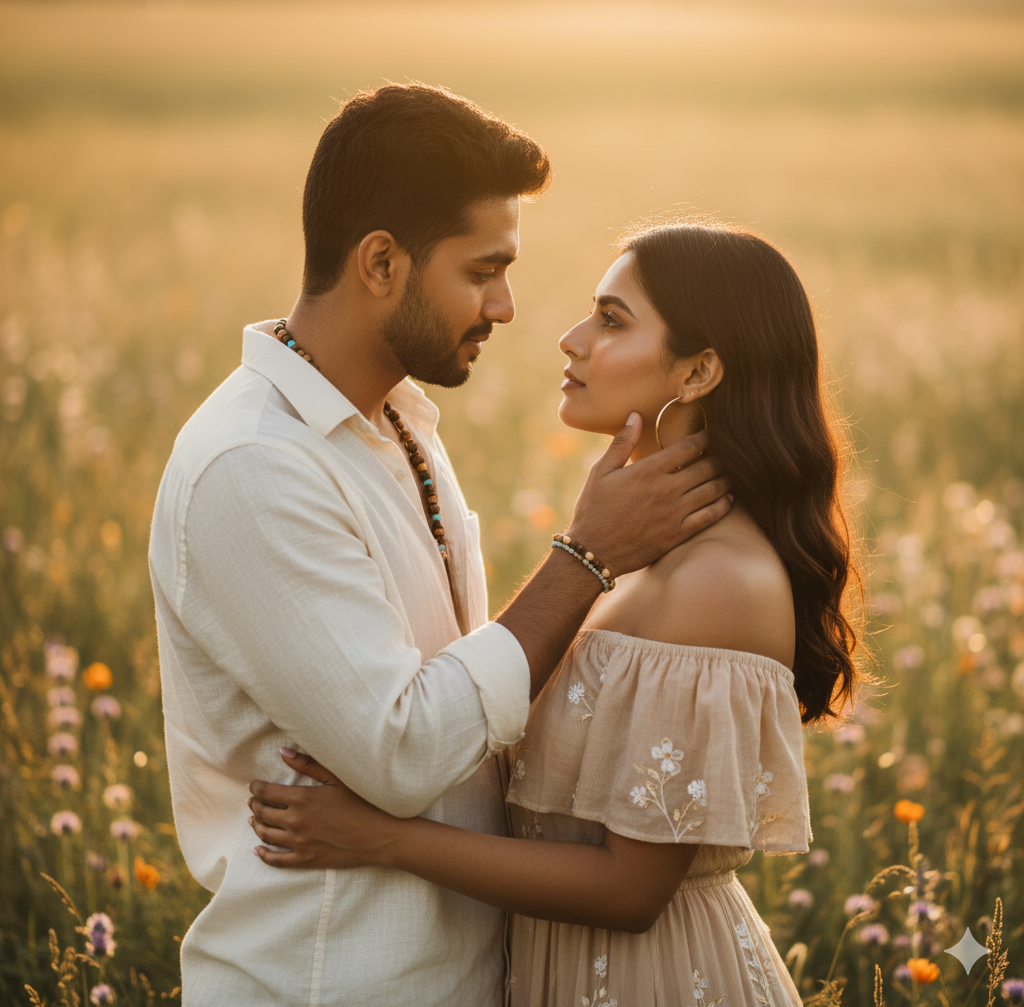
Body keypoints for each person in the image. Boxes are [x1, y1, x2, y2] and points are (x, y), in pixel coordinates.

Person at [149, 84, 732, 1007]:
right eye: (481, 271)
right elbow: (405, 749)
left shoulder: (400, 421)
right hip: (329, 981)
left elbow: (466, 713)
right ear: (381, 261)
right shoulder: (254, 467)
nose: (505, 307)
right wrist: (584, 560)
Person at [246, 221, 873, 1006]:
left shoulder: (718, 578)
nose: (571, 340)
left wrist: (382, 838)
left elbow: (630, 889)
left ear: (702, 369)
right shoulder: (642, 551)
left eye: (612, 320)